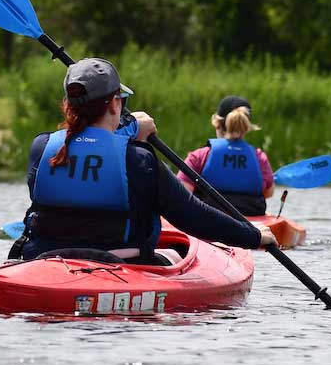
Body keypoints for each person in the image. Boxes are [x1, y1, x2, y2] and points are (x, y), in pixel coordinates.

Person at [19, 58, 275, 262]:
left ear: (68, 105)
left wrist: (127, 131)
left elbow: (88, 144)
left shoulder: (42, 147)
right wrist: (253, 236)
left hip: (44, 259)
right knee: (174, 255)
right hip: (121, 263)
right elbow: (192, 216)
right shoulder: (138, 159)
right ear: (114, 105)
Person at [180, 95, 274, 216]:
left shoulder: (199, 156)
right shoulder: (259, 157)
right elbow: (268, 193)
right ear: (246, 127)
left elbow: (182, 193)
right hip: (251, 218)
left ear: (217, 123)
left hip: (207, 219)